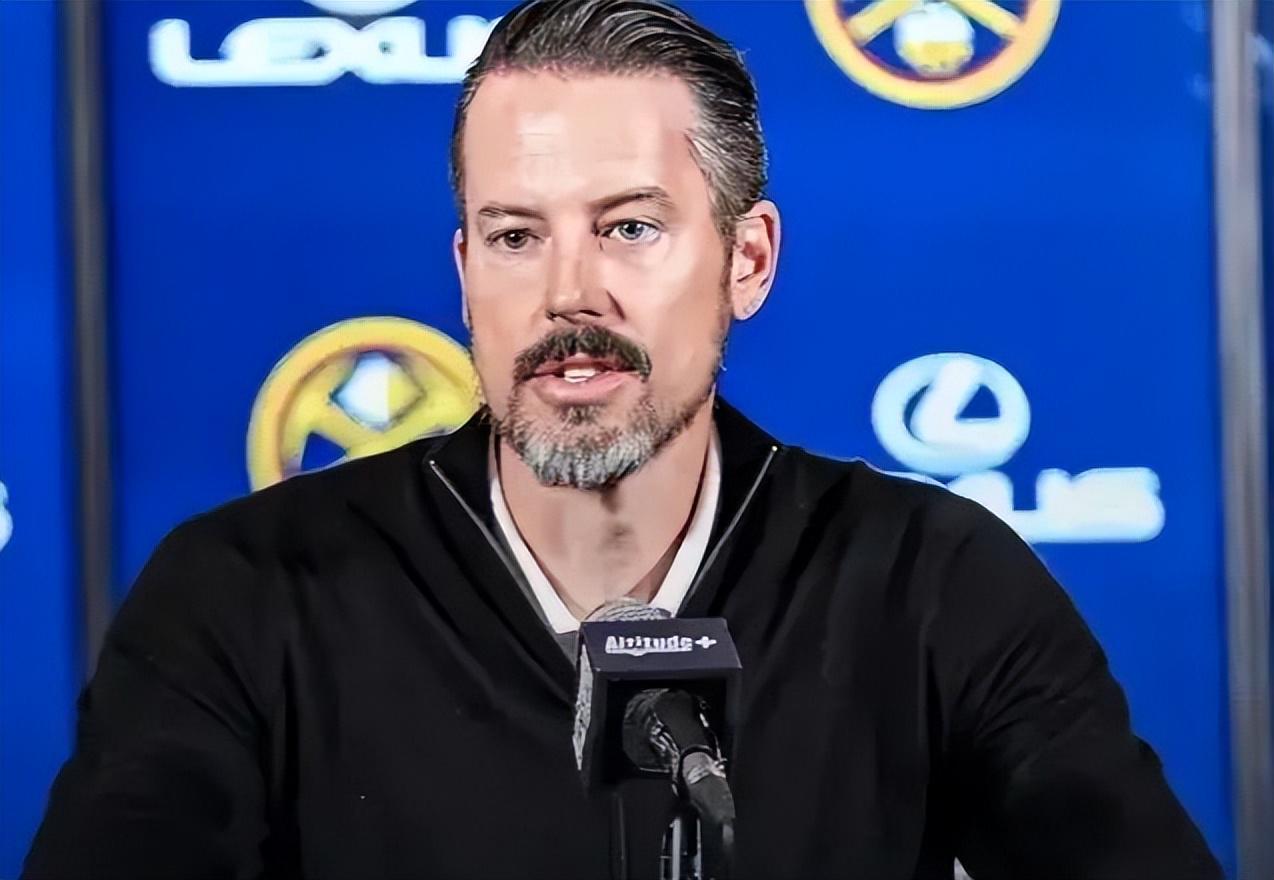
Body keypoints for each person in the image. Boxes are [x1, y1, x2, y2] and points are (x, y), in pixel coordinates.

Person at [25, 1, 1222, 878]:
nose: (568, 294)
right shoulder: (244, 595)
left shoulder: (929, 582)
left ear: (746, 259)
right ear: (464, 271)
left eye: (629, 228)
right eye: (515, 236)